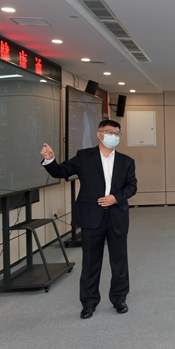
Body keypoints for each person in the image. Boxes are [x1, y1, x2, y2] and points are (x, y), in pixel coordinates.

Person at [40, 120, 137, 319]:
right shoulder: (84, 156)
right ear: (100, 134)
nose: (114, 136)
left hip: (117, 216)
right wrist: (50, 160)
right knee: (91, 262)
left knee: (119, 262)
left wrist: (115, 197)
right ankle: (89, 303)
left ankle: (119, 299)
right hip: (92, 217)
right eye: (110, 132)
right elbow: (61, 172)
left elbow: (132, 186)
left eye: (117, 133)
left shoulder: (127, 161)